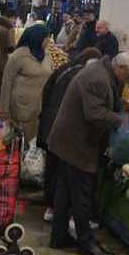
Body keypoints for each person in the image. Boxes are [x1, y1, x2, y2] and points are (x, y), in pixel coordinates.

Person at [47, 51, 129, 255]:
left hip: (69, 141)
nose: (128, 82)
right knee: (82, 196)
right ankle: (87, 242)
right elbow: (94, 113)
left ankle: (59, 235)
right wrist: (120, 121)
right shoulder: (97, 78)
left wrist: (120, 106)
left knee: (65, 192)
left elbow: (105, 102)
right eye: (128, 78)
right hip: (76, 144)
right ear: (120, 68)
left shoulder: (104, 73)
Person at [38, 47, 102, 221]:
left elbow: (46, 91)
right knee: (61, 173)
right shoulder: (83, 77)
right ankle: (56, 210)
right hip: (63, 128)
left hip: (50, 124)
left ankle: (50, 207)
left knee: (51, 168)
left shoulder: (65, 68)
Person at [0, 24, 53, 144]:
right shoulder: (18, 56)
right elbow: (6, 82)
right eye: (46, 37)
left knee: (34, 140)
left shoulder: (47, 55)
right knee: (20, 141)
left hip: (39, 107)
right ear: (37, 38)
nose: (48, 40)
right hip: (20, 107)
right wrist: (4, 109)